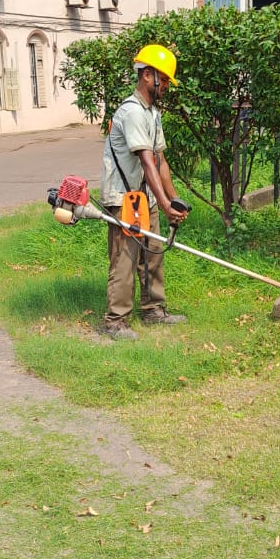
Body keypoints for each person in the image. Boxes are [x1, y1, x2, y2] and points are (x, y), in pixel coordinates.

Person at [99, 44, 189, 339]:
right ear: (147, 74)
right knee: (125, 258)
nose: (165, 86)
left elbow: (161, 161)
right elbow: (146, 162)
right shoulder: (133, 112)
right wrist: (164, 205)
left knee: (152, 256)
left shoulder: (152, 114)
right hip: (123, 197)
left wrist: (173, 200)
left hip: (144, 197)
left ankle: (153, 311)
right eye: (163, 80)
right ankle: (115, 321)